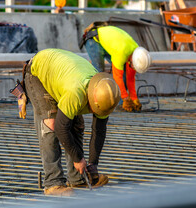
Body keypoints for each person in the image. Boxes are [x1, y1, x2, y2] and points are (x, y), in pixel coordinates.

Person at [18, 48, 120, 196]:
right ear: (91, 98)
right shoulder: (76, 92)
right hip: (38, 74)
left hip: (61, 76)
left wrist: (92, 165)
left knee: (77, 124)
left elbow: (99, 131)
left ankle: (78, 179)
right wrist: (78, 158)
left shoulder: (105, 93)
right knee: (51, 125)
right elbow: (61, 128)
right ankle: (53, 183)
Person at [81, 23, 152, 112]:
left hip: (108, 43)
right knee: (99, 72)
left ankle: (119, 102)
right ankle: (96, 102)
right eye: (134, 67)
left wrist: (134, 98)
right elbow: (117, 77)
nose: (133, 68)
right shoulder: (122, 53)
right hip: (94, 40)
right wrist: (126, 98)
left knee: (126, 73)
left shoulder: (137, 53)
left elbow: (130, 78)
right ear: (133, 60)